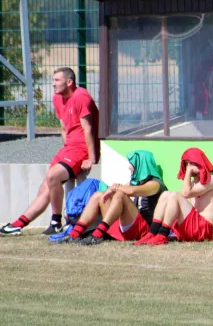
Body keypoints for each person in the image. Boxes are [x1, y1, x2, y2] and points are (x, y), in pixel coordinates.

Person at [1, 67, 99, 236]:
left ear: (69, 82)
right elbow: (63, 128)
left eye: (56, 80)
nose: (53, 84)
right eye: (53, 80)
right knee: (45, 186)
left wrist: (92, 158)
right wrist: (66, 150)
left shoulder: (81, 96)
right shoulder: (57, 98)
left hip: (81, 149)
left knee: (53, 176)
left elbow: (88, 129)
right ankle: (18, 224)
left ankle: (56, 221)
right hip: (69, 149)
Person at [54, 150, 167, 245]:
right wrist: (111, 189)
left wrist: (113, 189)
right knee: (99, 195)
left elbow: (132, 191)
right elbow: (121, 188)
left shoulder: (156, 184)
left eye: (132, 163)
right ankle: (75, 233)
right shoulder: (135, 182)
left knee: (120, 195)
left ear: (142, 164)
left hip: (145, 230)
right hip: (130, 225)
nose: (129, 167)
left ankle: (98, 234)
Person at [135, 148, 213, 245]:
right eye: (186, 164)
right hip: (191, 226)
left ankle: (162, 235)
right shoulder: (192, 183)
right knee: (166, 194)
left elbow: (185, 194)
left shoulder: (211, 180)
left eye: (191, 163)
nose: (188, 167)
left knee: (175, 195)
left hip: (204, 229)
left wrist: (188, 171)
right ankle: (152, 233)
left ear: (199, 163)